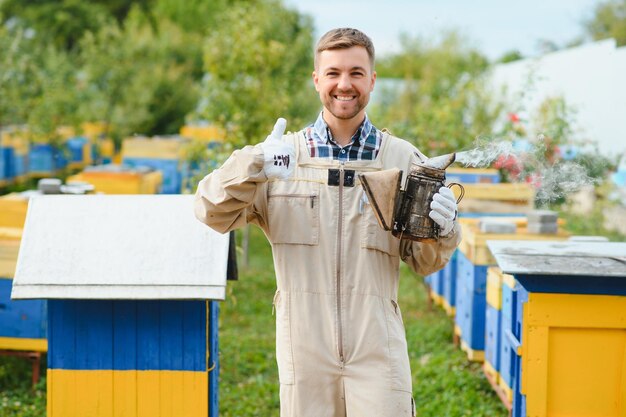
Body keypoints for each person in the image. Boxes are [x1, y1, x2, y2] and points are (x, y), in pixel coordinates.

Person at [194, 28, 461, 417]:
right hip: (304, 349)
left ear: (372, 80)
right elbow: (210, 211)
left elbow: (424, 261)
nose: (344, 84)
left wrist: (444, 229)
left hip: (377, 348)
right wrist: (251, 162)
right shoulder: (282, 157)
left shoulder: (402, 159)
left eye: (356, 72)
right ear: (317, 79)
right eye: (333, 72)